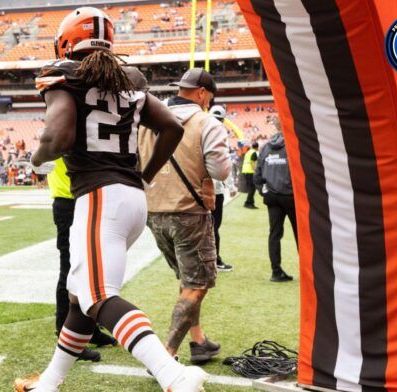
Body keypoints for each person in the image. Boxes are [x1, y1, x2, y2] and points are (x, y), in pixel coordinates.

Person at [15, 7, 208, 392]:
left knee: (99, 296)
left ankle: (173, 377)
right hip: (131, 198)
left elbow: (58, 137)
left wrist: (35, 160)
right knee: (79, 298)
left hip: (100, 198)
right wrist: (145, 174)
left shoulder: (65, 74)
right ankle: (49, 383)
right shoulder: (126, 79)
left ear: (67, 42)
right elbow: (170, 126)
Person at [139, 69, 230, 365]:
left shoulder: (147, 122)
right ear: (202, 94)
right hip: (189, 211)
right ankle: (166, 355)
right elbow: (221, 172)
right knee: (196, 284)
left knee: (187, 279)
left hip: (153, 211)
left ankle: (199, 341)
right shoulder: (207, 122)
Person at [46, 158, 118, 363]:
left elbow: (40, 165)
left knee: (89, 270)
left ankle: (88, 330)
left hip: (79, 201)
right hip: (70, 202)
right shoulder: (63, 131)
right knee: (70, 270)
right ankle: (65, 335)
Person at [254, 129, 297, 282]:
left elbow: (257, 175)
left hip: (272, 197)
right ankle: (308, 272)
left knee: (274, 234)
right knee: (301, 235)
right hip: (291, 196)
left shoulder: (266, 147)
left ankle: (276, 272)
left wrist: (264, 192)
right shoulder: (293, 144)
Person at [209, 105, 237, 272]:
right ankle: (215, 260)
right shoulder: (220, 133)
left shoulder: (200, 127)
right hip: (215, 188)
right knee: (214, 227)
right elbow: (224, 162)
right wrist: (231, 186)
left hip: (198, 187)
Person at [242, 141, 259, 208]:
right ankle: (248, 203)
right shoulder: (254, 152)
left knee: (251, 188)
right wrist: (256, 171)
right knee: (252, 188)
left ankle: (250, 203)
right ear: (257, 147)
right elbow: (252, 162)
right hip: (250, 172)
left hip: (245, 171)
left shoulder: (248, 152)